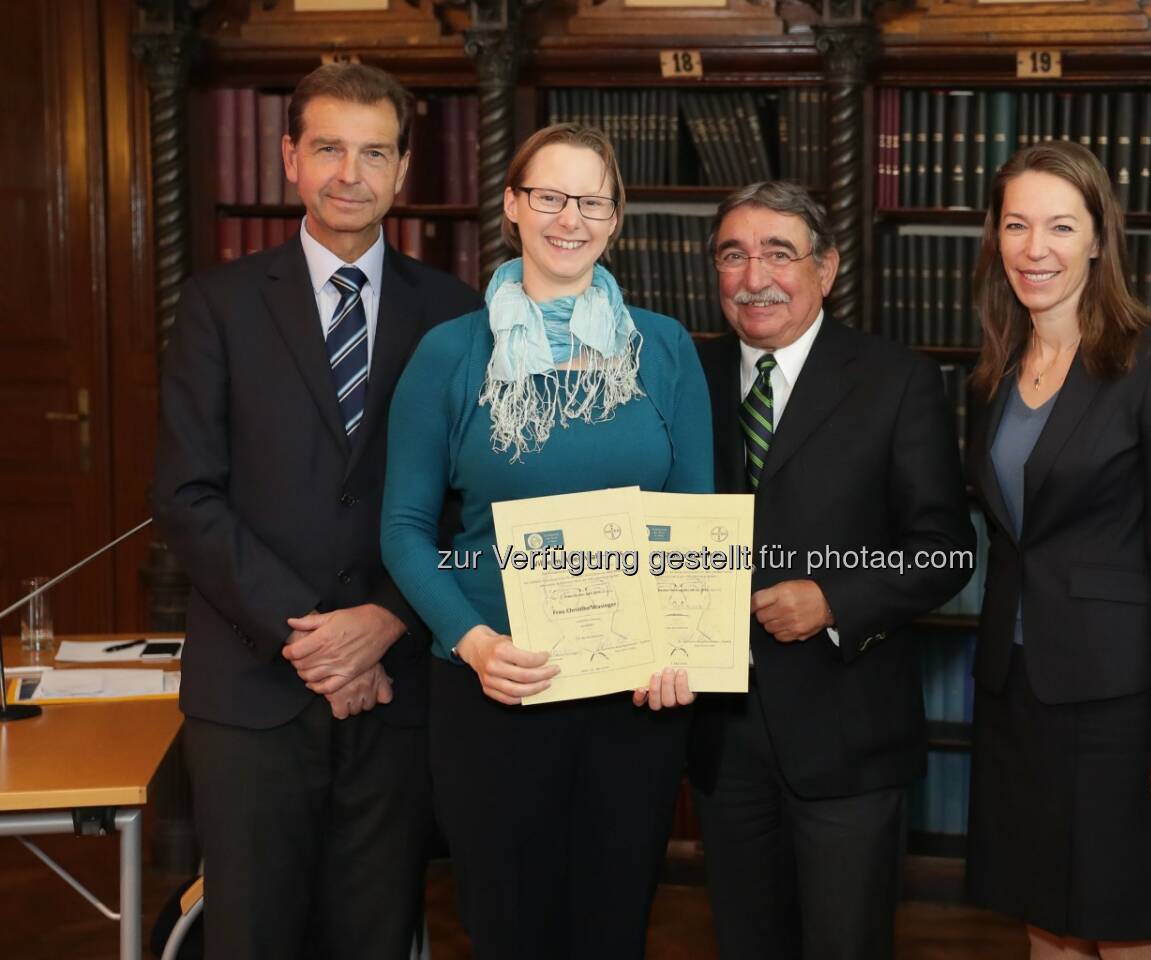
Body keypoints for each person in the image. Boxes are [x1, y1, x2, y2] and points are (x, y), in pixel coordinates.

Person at [151, 63, 482, 959]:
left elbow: (472, 502)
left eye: (374, 152)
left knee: (377, 935)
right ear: (290, 157)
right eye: (329, 147)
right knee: (252, 936)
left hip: (399, 689)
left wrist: (384, 620)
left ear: (404, 170)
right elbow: (186, 494)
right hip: (254, 691)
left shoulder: (457, 315)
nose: (350, 173)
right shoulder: (217, 305)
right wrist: (315, 639)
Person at [380, 123, 713, 960]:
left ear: (615, 217)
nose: (572, 219)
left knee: (612, 928)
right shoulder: (452, 355)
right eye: (551, 197)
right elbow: (406, 530)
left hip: (635, 699)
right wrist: (475, 641)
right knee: (509, 929)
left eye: (592, 200)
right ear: (513, 207)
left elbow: (695, 520)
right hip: (498, 693)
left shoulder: (664, 349)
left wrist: (682, 645)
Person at [688, 181, 976, 960]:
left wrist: (834, 598)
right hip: (719, 733)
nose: (756, 277)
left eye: (779, 253)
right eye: (734, 255)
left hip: (848, 728)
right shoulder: (680, 376)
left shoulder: (896, 380)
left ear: (827, 267)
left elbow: (948, 550)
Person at [963, 140, 1151, 959]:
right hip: (1018, 693)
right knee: (1046, 926)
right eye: (1017, 225)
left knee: (1127, 932)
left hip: (1121, 704)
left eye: (1061, 227)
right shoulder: (996, 374)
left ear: (1100, 238)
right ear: (996, 238)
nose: (1036, 249)